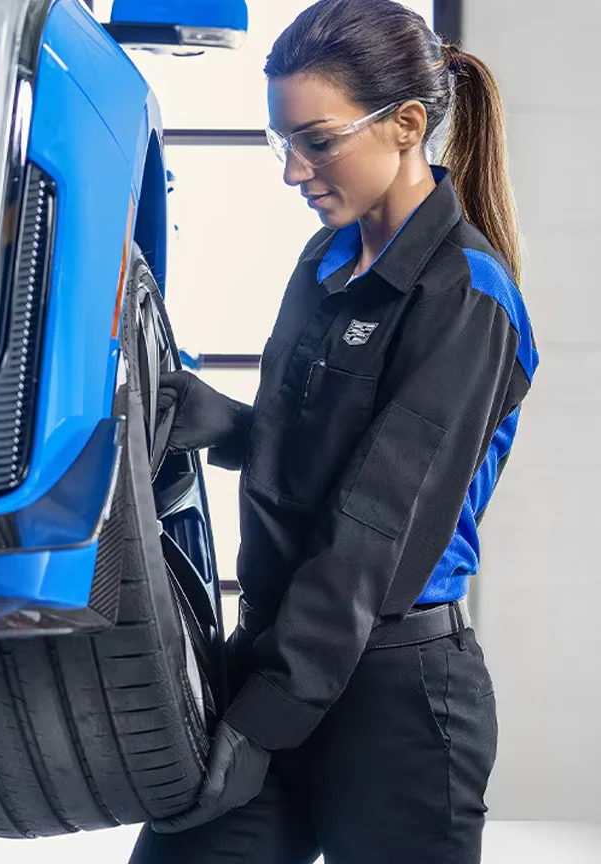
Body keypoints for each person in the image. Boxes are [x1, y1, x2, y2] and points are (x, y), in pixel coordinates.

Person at [129, 1, 538, 863]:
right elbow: (327, 460)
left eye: (317, 142)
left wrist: (266, 715)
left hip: (394, 701)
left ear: (407, 125)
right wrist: (228, 427)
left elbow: (379, 527)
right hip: (276, 656)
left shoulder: (465, 297)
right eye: (281, 142)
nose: (293, 171)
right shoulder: (322, 265)